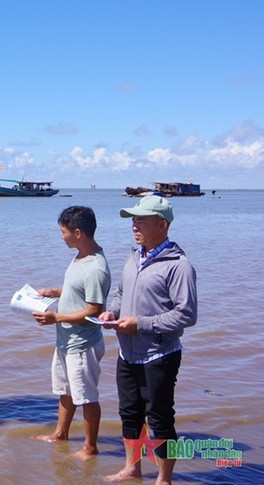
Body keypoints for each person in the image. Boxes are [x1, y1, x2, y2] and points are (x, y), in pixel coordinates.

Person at [100, 196, 197, 485]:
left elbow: (187, 315)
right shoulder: (133, 257)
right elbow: (120, 293)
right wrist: (112, 312)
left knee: (160, 419)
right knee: (129, 415)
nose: (134, 226)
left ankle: (164, 479)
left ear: (162, 224)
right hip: (126, 354)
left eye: (141, 221)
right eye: (133, 220)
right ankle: (132, 468)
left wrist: (140, 324)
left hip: (160, 354)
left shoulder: (179, 265)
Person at [32, 206, 111, 460]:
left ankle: (90, 447)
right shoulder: (79, 256)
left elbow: (94, 310)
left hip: (83, 343)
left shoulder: (96, 268)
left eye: (63, 232)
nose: (62, 236)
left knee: (86, 396)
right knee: (65, 390)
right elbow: (75, 291)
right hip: (66, 339)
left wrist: (56, 317)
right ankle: (60, 434)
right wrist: (54, 292)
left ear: (78, 233)